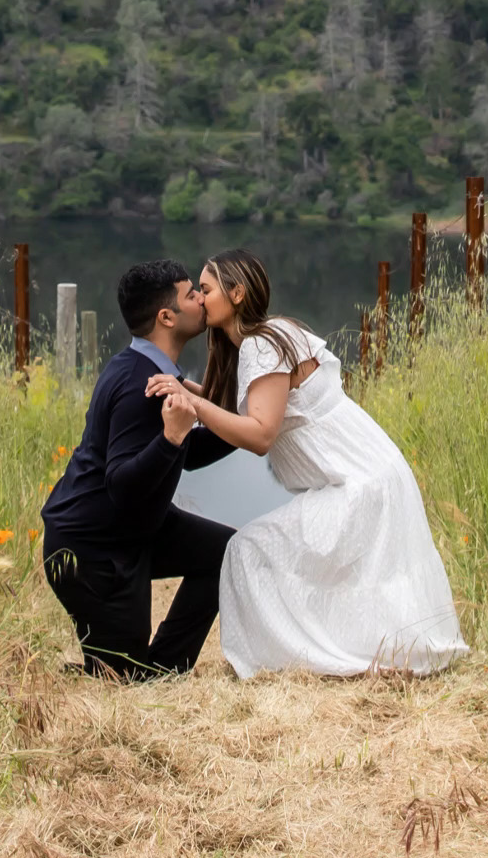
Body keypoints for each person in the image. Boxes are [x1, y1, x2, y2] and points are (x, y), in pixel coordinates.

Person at [147, 249, 468, 679]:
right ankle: (335, 655)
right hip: (371, 474)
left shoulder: (262, 346)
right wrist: (185, 385)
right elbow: (244, 403)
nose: (200, 300)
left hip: (358, 484)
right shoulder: (273, 332)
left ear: (237, 293)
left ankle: (287, 662)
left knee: (249, 549)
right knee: (328, 566)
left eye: (206, 290)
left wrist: (193, 406)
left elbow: (260, 434)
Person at [41, 258, 234, 679]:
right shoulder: (137, 383)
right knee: (122, 679)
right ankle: (141, 673)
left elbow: (189, 452)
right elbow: (122, 486)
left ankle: (166, 668)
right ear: (167, 316)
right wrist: (170, 439)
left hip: (131, 529)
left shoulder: (149, 370)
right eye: (191, 294)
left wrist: (246, 425)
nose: (202, 299)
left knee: (226, 553)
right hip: (91, 550)